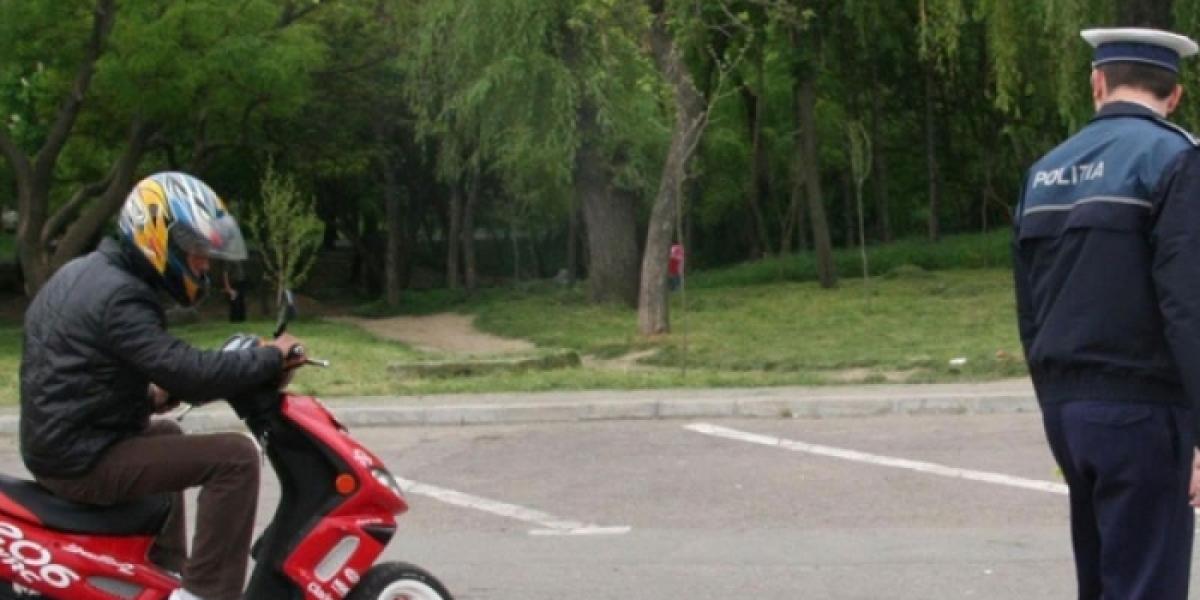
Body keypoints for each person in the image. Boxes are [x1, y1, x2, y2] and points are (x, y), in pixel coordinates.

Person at [19, 172, 305, 600]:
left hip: (63, 443)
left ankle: (162, 568)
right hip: (80, 460)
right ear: (159, 239)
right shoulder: (121, 295)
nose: (204, 266)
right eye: (197, 253)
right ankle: (205, 594)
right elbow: (190, 373)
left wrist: (153, 397)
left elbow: (78, 374)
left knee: (167, 435)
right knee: (235, 458)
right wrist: (271, 357)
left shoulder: (87, 272)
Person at [1013, 28, 1200, 600]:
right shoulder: (1176, 160)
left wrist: (1055, 400)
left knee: (1099, 581)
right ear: (1175, 95)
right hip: (1145, 407)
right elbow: (1189, 304)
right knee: (1146, 582)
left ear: (1097, 83)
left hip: (1068, 410)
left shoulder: (1045, 171)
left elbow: (1029, 305)